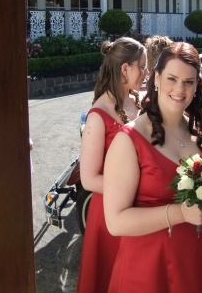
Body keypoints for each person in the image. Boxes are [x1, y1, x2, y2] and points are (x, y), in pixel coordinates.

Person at [103, 42, 202, 293]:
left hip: (199, 259)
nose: (179, 89)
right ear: (156, 78)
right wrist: (180, 213)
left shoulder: (196, 131)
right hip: (152, 270)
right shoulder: (129, 140)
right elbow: (116, 221)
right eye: (172, 79)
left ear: (197, 85)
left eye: (189, 82)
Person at [76, 37, 148, 293]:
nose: (146, 72)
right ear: (125, 69)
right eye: (142, 66)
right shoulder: (98, 115)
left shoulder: (136, 102)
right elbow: (88, 179)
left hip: (138, 209)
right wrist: (137, 187)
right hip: (109, 214)